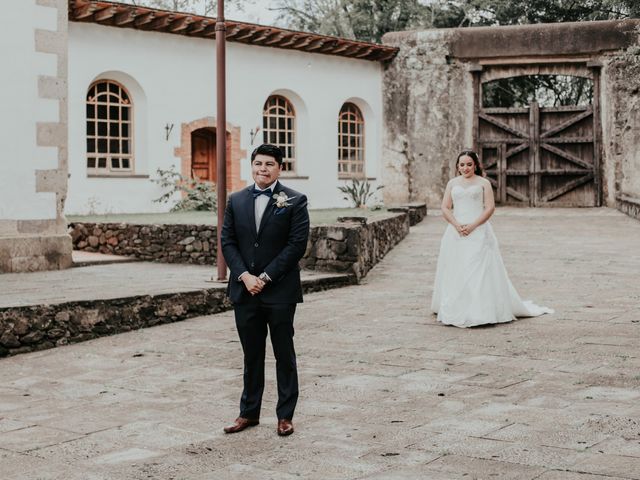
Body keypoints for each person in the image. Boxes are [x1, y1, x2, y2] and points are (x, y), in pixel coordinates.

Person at [221, 144, 309, 436]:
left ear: (279, 168)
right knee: (251, 354)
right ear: (252, 165)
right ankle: (248, 413)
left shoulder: (295, 201)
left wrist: (267, 276)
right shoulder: (236, 200)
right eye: (258, 163)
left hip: (280, 292)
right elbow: (228, 242)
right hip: (245, 291)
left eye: (269, 164)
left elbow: (296, 246)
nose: (263, 168)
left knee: (284, 354)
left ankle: (285, 416)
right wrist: (245, 276)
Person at [431, 150, 553, 327]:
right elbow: (445, 207)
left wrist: (473, 226)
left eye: (469, 164)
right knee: (456, 268)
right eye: (462, 164)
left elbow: (489, 208)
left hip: (478, 230)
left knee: (478, 269)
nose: (465, 168)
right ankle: (457, 306)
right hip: (455, 231)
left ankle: (480, 310)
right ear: (457, 166)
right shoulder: (452, 183)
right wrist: (456, 225)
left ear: (476, 165)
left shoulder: (483, 183)